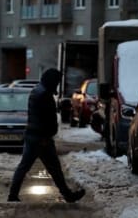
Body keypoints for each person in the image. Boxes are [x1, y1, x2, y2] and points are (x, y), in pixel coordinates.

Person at [8, 68, 86, 203]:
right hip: (41, 138)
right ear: (51, 81)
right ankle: (67, 195)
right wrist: (46, 136)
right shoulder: (44, 95)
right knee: (53, 168)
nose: (57, 84)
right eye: (56, 82)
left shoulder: (38, 90)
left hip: (34, 136)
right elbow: (45, 118)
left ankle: (13, 195)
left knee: (26, 166)